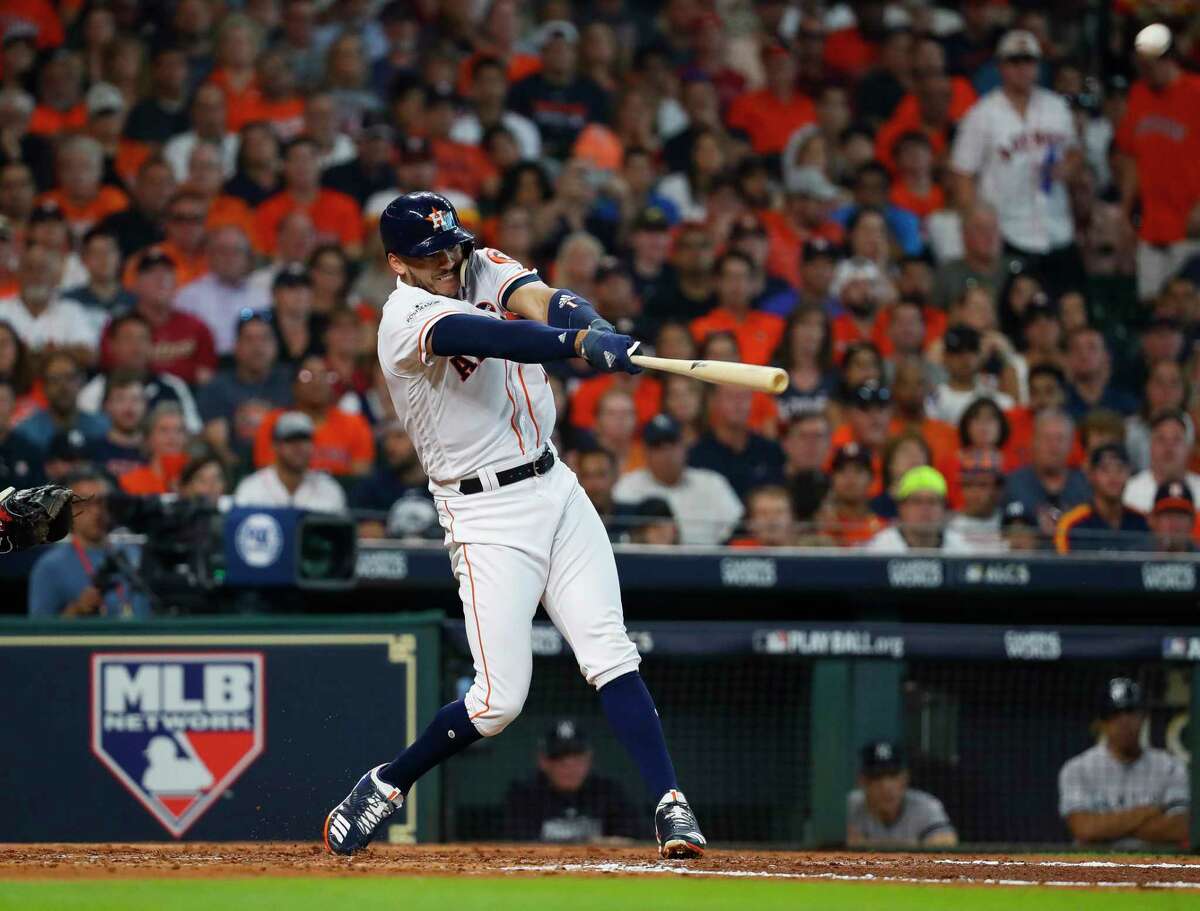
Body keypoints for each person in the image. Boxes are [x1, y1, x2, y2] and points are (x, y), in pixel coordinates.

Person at [325, 191, 706, 860]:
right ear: (398, 263)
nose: (449, 262)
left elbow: (543, 300)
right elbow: (493, 336)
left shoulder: (477, 264)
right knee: (499, 702)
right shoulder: (403, 318)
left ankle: (671, 804)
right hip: (484, 513)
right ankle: (387, 782)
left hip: (555, 486)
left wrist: (590, 324)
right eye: (431, 256)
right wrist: (580, 345)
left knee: (609, 651)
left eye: (452, 247)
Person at [950, 30, 1082, 297]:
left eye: (1028, 61)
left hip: (1057, 229)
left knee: (1069, 305)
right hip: (1009, 232)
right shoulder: (982, 114)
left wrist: (1067, 167)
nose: (1022, 68)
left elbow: (1075, 152)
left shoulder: (1057, 107)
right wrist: (975, 225)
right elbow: (962, 173)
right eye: (1014, 61)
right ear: (1000, 66)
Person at [1058, 678, 1188, 849]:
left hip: (1155, 867)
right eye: (1115, 714)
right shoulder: (1077, 769)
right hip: (1095, 869)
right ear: (1102, 723)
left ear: (1143, 717)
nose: (1124, 721)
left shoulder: (1170, 767)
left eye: (1131, 711)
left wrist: (1107, 827)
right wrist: (1146, 813)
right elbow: (1084, 829)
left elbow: (1181, 828)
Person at [26, 469, 150, 618]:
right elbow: (38, 634)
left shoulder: (134, 554)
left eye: (102, 503)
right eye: (86, 503)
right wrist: (77, 610)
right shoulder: (50, 567)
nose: (97, 511)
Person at [612, 414, 742, 546]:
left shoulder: (712, 484)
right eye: (658, 446)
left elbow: (737, 529)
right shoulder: (628, 486)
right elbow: (625, 537)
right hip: (651, 561)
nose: (667, 453)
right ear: (646, 452)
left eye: (672, 443)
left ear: (685, 446)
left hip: (707, 560)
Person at [503, 719, 637, 843]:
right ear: (543, 761)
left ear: (589, 758)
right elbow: (515, 846)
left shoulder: (609, 793)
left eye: (577, 758)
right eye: (559, 758)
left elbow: (635, 841)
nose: (569, 767)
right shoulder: (524, 796)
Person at [252, 355, 374, 476]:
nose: (317, 382)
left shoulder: (355, 424)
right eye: (307, 376)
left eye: (324, 375)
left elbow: (360, 477)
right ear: (294, 385)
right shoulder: (274, 423)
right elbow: (267, 477)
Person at [846, 741, 957, 848]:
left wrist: (867, 845)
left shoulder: (926, 806)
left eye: (893, 775)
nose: (886, 786)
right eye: (876, 776)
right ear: (862, 781)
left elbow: (947, 843)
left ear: (905, 778)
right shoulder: (848, 807)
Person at [233, 410, 346, 513]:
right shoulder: (251, 488)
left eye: (304, 440)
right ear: (275, 446)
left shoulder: (329, 489)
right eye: (290, 440)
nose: (299, 447)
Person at [687, 383, 785, 498]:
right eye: (730, 396)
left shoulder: (770, 451)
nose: (739, 403)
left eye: (744, 396)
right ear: (713, 401)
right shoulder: (697, 456)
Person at [1004, 410, 1091, 535]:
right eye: (1047, 439)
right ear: (1033, 442)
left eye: (1060, 439)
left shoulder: (1086, 485)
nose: (1053, 447)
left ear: (1071, 445)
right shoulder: (1014, 484)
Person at [1055, 444, 1150, 554]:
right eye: (1105, 469)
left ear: (1129, 473)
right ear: (1091, 475)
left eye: (1120, 469)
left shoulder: (1141, 522)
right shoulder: (1072, 524)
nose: (1113, 476)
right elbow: (1061, 568)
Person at [862, 466, 973, 553]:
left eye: (932, 502)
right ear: (901, 508)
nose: (925, 509)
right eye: (916, 502)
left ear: (943, 508)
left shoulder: (960, 549)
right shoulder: (879, 549)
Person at [1123, 410, 1200, 514]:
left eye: (1176, 440)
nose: (1169, 447)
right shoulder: (1129, 492)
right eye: (1161, 439)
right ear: (1150, 446)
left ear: (1188, 448)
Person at [818, 442, 886, 547]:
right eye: (842, 471)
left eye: (858, 471)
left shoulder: (883, 530)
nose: (850, 478)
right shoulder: (820, 527)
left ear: (871, 479)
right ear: (832, 479)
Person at [946, 449, 1005, 551]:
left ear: (998, 489)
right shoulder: (948, 527)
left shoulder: (1010, 524)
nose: (975, 492)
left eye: (982, 485)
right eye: (968, 485)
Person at [1149, 481, 1197, 554]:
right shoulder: (1133, 558)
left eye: (1180, 516)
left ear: (1192, 521)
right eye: (1168, 516)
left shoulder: (1197, 558)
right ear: (1153, 520)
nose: (1174, 523)